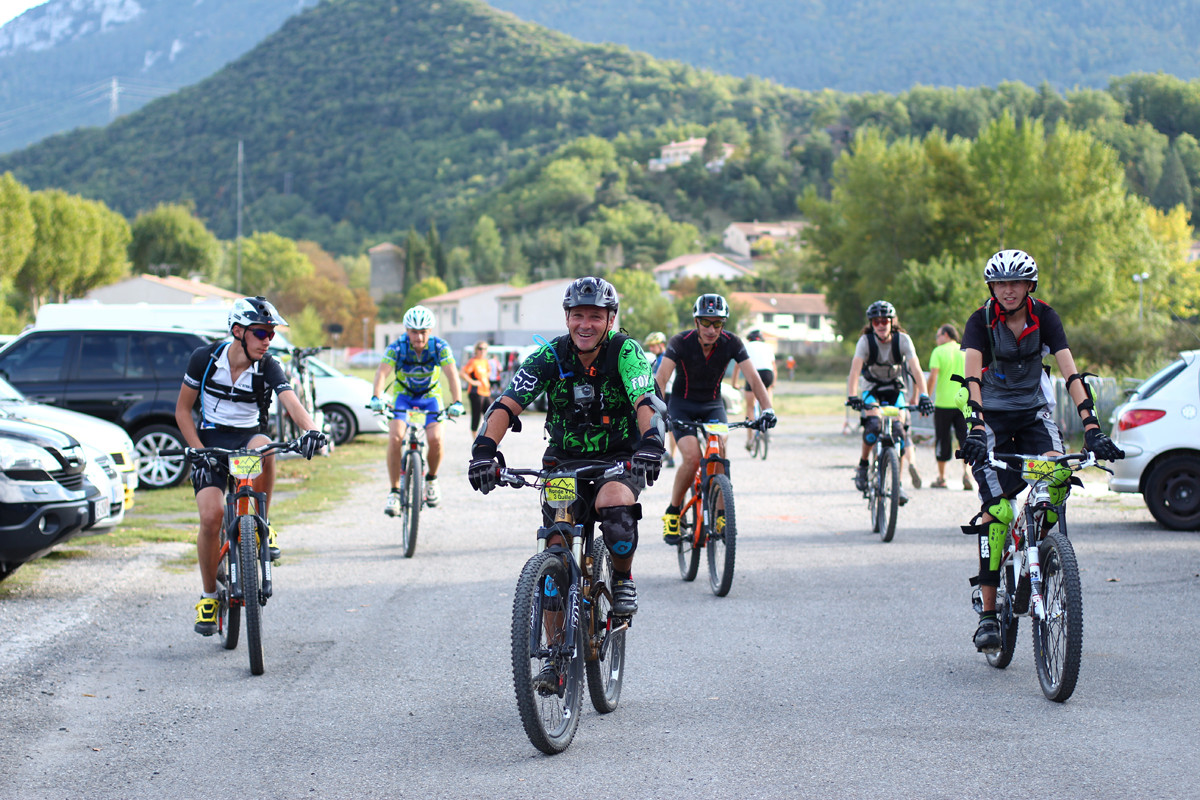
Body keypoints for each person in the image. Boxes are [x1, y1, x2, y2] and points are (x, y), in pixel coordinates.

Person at [467, 277, 665, 618]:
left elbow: (645, 399)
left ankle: (621, 577)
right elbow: (506, 403)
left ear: (610, 320)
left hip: (619, 458)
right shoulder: (550, 355)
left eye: (595, 316)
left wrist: (651, 443)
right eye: (578, 315)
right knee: (554, 558)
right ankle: (550, 666)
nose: (585, 324)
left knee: (615, 509)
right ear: (567, 317)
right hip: (563, 462)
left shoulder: (625, 352)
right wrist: (483, 451)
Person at [958, 249, 1124, 653]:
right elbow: (971, 379)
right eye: (1001, 283)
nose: (1008, 290)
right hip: (991, 421)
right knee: (997, 509)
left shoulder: (1045, 317)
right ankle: (988, 613)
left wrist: (1092, 429)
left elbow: (1071, 374)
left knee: (1057, 482)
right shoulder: (980, 322)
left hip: (1033, 415)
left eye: (1016, 282)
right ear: (992, 288)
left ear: (1029, 286)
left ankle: (1042, 551)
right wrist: (977, 428)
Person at [176, 296, 327, 636]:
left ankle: (264, 522)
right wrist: (198, 451)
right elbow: (182, 412)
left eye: (271, 334)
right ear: (237, 331)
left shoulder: (268, 365)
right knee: (211, 518)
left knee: (265, 449)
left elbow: (290, 400)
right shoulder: (204, 359)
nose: (267, 340)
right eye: (261, 333)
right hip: (210, 441)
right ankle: (209, 596)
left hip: (248, 437)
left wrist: (311, 430)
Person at [656, 293, 777, 544]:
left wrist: (767, 409)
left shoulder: (732, 343)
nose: (712, 329)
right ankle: (673, 512)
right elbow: (662, 378)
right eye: (706, 323)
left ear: (724, 324)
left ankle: (721, 513)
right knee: (691, 457)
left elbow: (753, 378)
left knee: (719, 450)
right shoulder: (680, 341)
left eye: (718, 324)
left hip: (713, 405)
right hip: (682, 405)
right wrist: (658, 410)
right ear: (696, 321)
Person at [370, 305, 464, 514]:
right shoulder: (397, 347)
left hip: (430, 398)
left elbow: (452, 375)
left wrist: (457, 401)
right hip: (403, 398)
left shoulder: (440, 347)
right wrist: (376, 396)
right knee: (395, 438)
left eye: (423, 332)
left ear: (430, 331)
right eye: (414, 332)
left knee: (435, 440)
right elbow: (382, 373)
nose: (419, 337)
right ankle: (394, 491)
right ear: (406, 330)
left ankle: (431, 479)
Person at [845, 300, 934, 505]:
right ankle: (863, 465)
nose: (881, 325)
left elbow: (916, 369)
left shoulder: (903, 340)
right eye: (876, 321)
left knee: (898, 432)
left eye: (885, 320)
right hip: (872, 389)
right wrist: (852, 396)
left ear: (892, 322)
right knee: (873, 426)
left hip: (895, 389)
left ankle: (897, 483)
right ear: (871, 323)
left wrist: (924, 396)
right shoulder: (865, 341)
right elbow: (854, 371)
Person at [927, 323, 973, 490]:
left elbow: (933, 377)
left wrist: (926, 397)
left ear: (945, 335)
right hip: (963, 403)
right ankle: (967, 474)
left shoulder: (938, 352)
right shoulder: (965, 351)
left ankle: (941, 477)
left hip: (943, 404)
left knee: (942, 440)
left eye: (938, 336)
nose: (937, 340)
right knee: (965, 439)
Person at [643, 331, 677, 468]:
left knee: (667, 425)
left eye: (653, 346)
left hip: (668, 394)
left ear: (661, 345)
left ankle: (671, 456)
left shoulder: (664, 358)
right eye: (650, 346)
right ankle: (670, 456)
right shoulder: (659, 357)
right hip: (665, 393)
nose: (651, 349)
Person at [739, 329, 776, 451]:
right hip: (768, 373)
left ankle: (750, 439)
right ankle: (768, 413)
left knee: (750, 407)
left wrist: (734, 383)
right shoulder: (767, 347)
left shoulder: (746, 346)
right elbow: (773, 367)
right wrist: (773, 383)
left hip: (753, 373)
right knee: (767, 391)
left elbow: (737, 366)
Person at [460, 340, 492, 437]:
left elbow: (488, 373)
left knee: (491, 415)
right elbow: (462, 373)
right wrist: (473, 382)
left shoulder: (485, 362)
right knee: (476, 417)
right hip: (476, 392)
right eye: (480, 348)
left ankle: (489, 438)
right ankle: (475, 440)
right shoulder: (473, 361)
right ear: (476, 350)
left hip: (486, 392)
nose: (482, 351)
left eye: (484, 349)